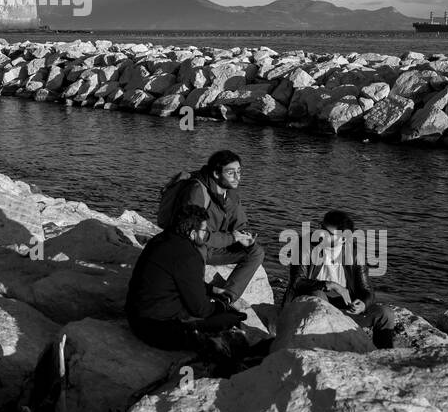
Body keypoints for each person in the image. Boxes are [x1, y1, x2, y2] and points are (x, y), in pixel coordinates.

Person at [127, 204, 247, 353]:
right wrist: (221, 306)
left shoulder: (160, 240)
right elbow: (200, 309)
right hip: (158, 329)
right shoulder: (188, 255)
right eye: (204, 230)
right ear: (192, 233)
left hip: (136, 318)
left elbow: (181, 279)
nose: (206, 234)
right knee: (235, 318)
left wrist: (211, 289)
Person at [164, 150, 265, 304]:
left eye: (239, 172)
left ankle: (227, 297)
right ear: (216, 174)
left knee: (256, 251)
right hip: (193, 246)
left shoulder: (230, 193)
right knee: (198, 250)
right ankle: (193, 297)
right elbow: (195, 234)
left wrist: (245, 236)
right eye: (231, 173)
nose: (237, 177)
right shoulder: (197, 190)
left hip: (214, 246)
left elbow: (240, 223)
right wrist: (232, 237)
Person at [285, 209, 397, 349]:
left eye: (329, 233)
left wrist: (363, 304)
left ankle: (384, 358)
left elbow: (367, 290)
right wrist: (331, 284)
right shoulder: (305, 245)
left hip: (344, 311)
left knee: (385, 314)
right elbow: (297, 282)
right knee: (318, 295)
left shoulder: (355, 254)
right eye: (322, 228)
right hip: (311, 311)